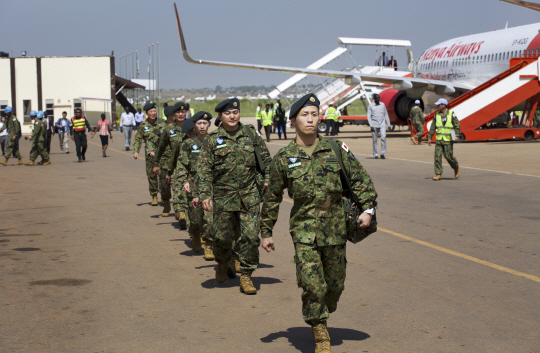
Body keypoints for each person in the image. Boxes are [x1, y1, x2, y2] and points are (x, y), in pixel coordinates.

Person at [260, 93, 377, 353]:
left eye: (314, 113)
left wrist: (368, 209)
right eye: (304, 114)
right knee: (313, 285)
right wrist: (266, 232)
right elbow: (272, 198)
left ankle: (324, 310)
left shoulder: (336, 149)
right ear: (293, 121)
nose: (310, 119)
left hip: (335, 231)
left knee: (335, 285)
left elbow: (361, 180)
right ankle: (319, 329)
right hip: (304, 233)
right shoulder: (283, 158)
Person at [197, 98, 271, 293]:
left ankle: (246, 276)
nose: (232, 116)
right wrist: (205, 194)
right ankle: (222, 263)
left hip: (249, 196)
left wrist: (267, 180)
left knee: (250, 237)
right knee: (221, 238)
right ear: (221, 116)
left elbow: (265, 159)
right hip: (223, 198)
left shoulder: (250, 135)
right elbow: (204, 170)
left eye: (235, 112)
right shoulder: (212, 140)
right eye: (228, 113)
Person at [173, 112, 215, 258]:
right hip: (193, 185)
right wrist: (184, 181)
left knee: (210, 218)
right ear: (194, 126)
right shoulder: (188, 144)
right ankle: (195, 235)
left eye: (205, 123)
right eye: (199, 123)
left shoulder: (215, 142)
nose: (202, 126)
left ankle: (209, 245)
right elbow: (182, 165)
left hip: (210, 186)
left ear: (209, 124)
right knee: (196, 218)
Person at [152, 102, 187, 220]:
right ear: (173, 115)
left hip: (191, 165)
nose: (181, 114)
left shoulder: (193, 127)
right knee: (175, 188)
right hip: (174, 165)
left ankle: (184, 211)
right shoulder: (169, 129)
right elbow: (161, 147)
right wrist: (155, 163)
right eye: (178, 112)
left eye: (183, 112)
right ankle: (178, 211)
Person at [133, 102, 167, 206]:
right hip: (150, 155)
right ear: (147, 113)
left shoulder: (162, 123)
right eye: (151, 111)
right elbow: (138, 139)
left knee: (163, 176)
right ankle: (154, 196)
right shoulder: (143, 125)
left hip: (162, 155)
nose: (153, 113)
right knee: (151, 176)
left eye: (154, 111)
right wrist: (136, 151)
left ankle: (164, 196)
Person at [427, 98, 461, 181]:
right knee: (437, 157)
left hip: (448, 139)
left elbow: (457, 125)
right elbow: (433, 127)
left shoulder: (451, 114)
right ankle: (438, 174)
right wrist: (429, 137)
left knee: (448, 156)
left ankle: (455, 166)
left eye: (439, 105)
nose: (437, 106)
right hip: (439, 139)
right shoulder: (437, 115)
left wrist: (456, 135)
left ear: (443, 105)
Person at [367, 94, 391, 159]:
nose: (378, 99)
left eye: (378, 98)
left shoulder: (382, 105)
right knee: (375, 139)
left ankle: (382, 153)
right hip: (374, 124)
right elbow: (369, 116)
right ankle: (376, 154)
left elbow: (386, 115)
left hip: (382, 124)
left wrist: (388, 125)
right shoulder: (370, 106)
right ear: (374, 99)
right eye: (376, 98)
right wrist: (371, 125)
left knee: (383, 137)